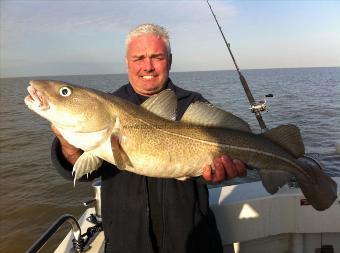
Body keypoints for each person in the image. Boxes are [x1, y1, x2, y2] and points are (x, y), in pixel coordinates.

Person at [51, 24, 246, 253]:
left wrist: (215, 174)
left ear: (170, 61)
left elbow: (204, 172)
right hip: (127, 243)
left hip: (191, 242)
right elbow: (84, 170)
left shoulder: (192, 104)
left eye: (157, 57)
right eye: (138, 58)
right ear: (127, 62)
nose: (148, 66)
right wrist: (69, 146)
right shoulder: (105, 107)